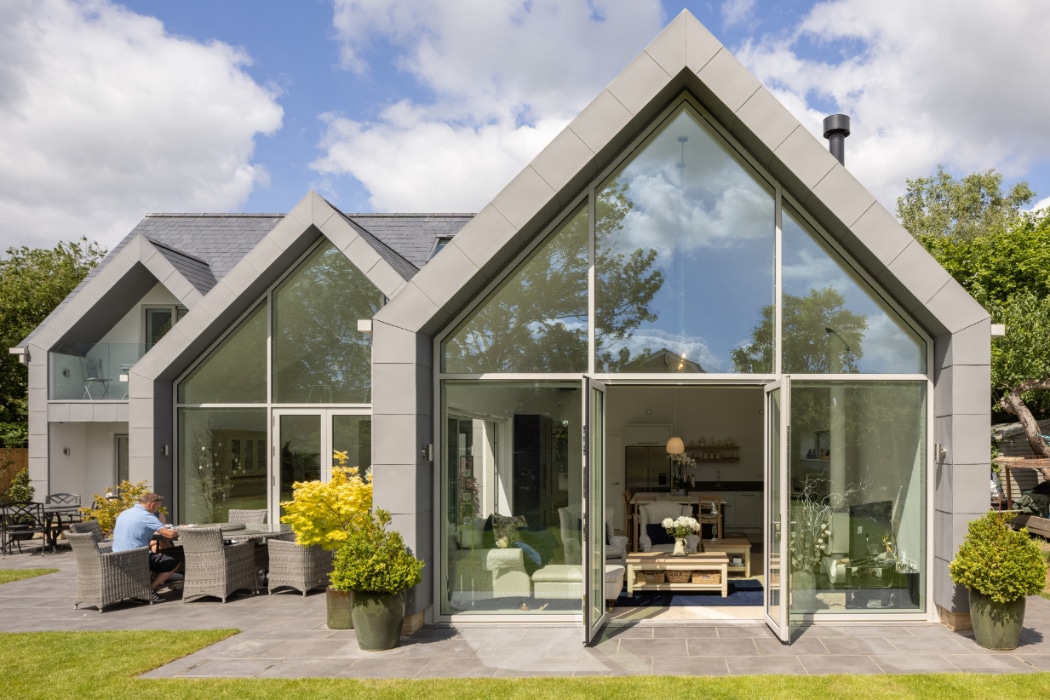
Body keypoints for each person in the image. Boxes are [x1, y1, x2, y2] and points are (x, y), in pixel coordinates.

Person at [112, 492, 180, 600]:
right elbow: (169, 534)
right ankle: (148, 590)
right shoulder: (147, 516)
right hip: (136, 558)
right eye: (157, 507)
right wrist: (180, 530)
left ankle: (143, 585)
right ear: (152, 504)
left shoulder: (124, 513)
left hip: (116, 557)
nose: (157, 510)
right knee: (174, 562)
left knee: (159, 554)